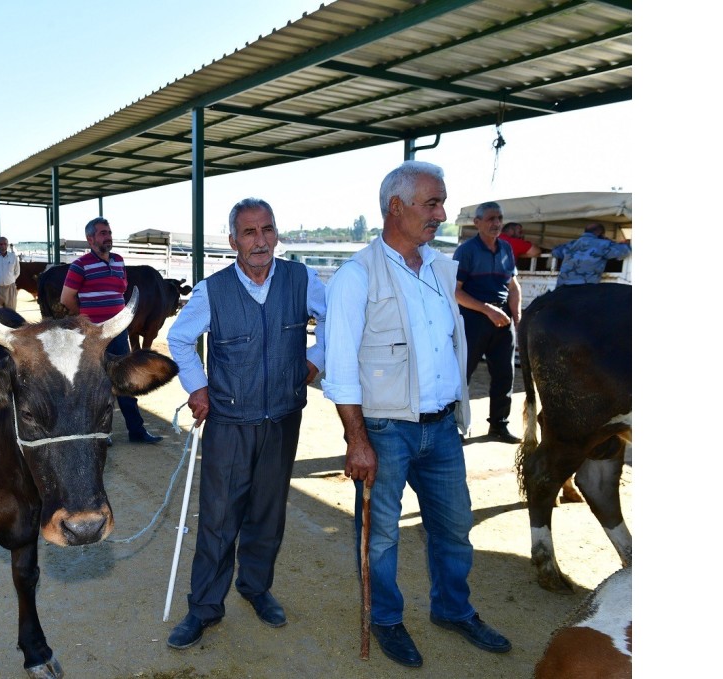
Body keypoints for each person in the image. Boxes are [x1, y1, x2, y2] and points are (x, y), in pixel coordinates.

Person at [323, 160, 511, 669]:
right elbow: (338, 370)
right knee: (380, 538)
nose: (442, 213)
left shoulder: (439, 268)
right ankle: (386, 619)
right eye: (432, 203)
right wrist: (356, 440)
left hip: (442, 427)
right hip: (384, 431)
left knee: (454, 527)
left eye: (442, 202)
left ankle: (453, 609)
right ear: (396, 207)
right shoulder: (355, 277)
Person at [164, 198, 326, 650]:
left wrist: (316, 360)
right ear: (233, 240)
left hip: (282, 418)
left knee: (268, 513)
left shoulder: (301, 279)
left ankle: (256, 589)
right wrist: (197, 388)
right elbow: (179, 338)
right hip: (230, 422)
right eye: (249, 233)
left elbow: (340, 321)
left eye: (267, 230)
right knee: (218, 517)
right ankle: (204, 608)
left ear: (277, 235)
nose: (260, 241)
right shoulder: (212, 290)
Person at [60, 217, 162, 446]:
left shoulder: (118, 261)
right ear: (90, 239)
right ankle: (99, 433)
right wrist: (85, 322)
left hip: (118, 332)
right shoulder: (80, 265)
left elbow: (120, 290)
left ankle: (136, 431)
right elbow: (66, 299)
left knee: (124, 381)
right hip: (94, 336)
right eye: (103, 233)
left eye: (109, 232)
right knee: (96, 384)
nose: (108, 236)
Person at [453, 201, 522, 444]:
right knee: (463, 373)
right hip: (473, 317)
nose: (496, 223)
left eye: (499, 218)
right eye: (491, 218)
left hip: (502, 319)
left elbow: (513, 286)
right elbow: (455, 291)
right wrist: (487, 310)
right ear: (477, 223)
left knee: (505, 374)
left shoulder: (505, 249)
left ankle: (499, 426)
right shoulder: (467, 251)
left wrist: (517, 317)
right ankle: (455, 427)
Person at [551, 222, 631, 287]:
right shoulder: (603, 244)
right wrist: (622, 243)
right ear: (601, 233)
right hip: (584, 289)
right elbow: (625, 251)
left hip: (562, 287)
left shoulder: (571, 244)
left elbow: (555, 252)